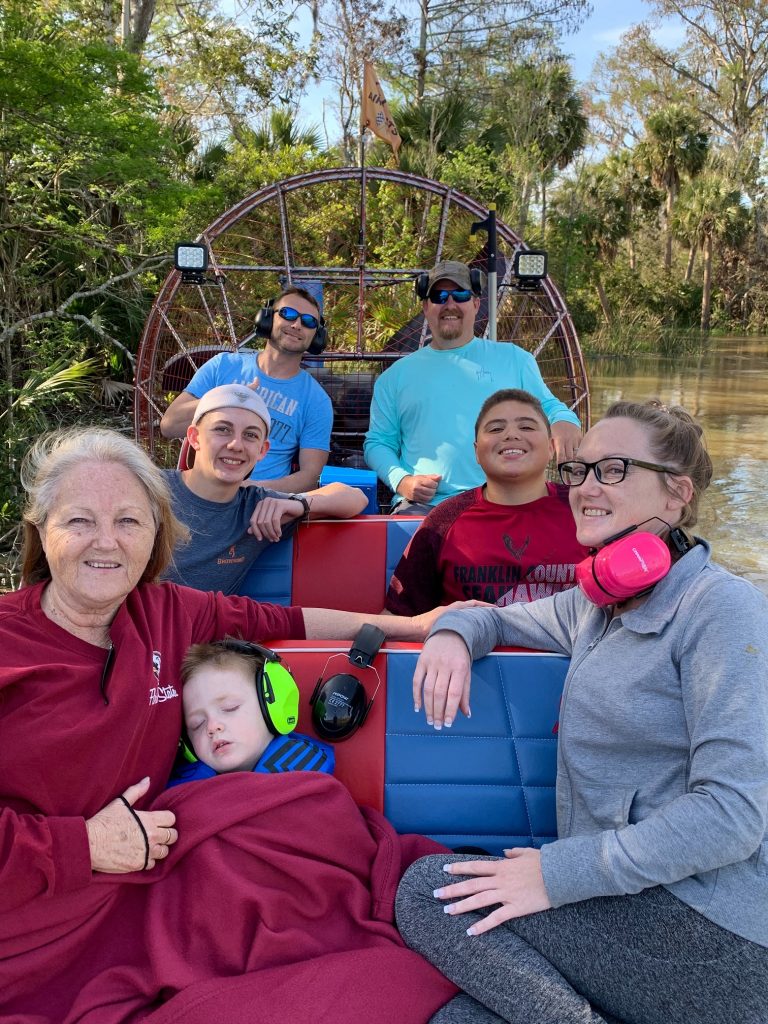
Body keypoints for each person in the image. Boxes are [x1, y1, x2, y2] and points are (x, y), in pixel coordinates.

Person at [0, 425, 494, 1024]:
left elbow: (285, 616)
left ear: (156, 536)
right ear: (40, 530)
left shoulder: (163, 611)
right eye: (80, 521)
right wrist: (83, 845)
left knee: (373, 964)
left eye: (129, 521)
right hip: (35, 927)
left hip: (161, 894)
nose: (106, 542)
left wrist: (417, 627)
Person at [395, 400, 768, 1024]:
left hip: (713, 931)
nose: (586, 487)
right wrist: (452, 635)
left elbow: (732, 815)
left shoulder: (722, 611)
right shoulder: (595, 605)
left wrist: (554, 874)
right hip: (618, 907)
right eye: (582, 470)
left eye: (614, 470)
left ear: (677, 494)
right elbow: (495, 615)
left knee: (428, 890)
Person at [364, 260, 583, 514]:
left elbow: (550, 407)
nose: (450, 304)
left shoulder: (515, 358)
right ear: (426, 307)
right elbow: (378, 443)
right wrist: (402, 481)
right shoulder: (394, 377)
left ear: (476, 304)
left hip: (507, 501)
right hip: (426, 508)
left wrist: (565, 421)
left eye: (461, 295)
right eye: (439, 296)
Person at [385, 389, 588, 615]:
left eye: (527, 427)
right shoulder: (443, 522)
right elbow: (399, 616)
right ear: (476, 453)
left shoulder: (584, 508)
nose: (511, 434)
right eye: (496, 429)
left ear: (551, 447)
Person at [163, 383, 367, 593]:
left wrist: (299, 505)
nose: (236, 445)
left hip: (208, 623)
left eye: (250, 435)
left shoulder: (255, 506)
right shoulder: (154, 490)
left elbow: (354, 497)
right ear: (195, 437)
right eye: (222, 429)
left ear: (262, 450)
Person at [159, 285, 333, 492]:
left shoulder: (316, 400)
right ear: (267, 318)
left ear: (317, 335)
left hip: (260, 505)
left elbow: (311, 477)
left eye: (308, 321)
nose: (296, 325)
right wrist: (225, 397)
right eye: (288, 314)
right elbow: (169, 426)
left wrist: (251, 490)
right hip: (200, 492)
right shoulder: (222, 365)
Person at [167, 640, 335, 785]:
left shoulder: (310, 782)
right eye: (197, 724)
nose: (212, 726)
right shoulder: (181, 796)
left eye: (230, 707)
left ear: (272, 706)